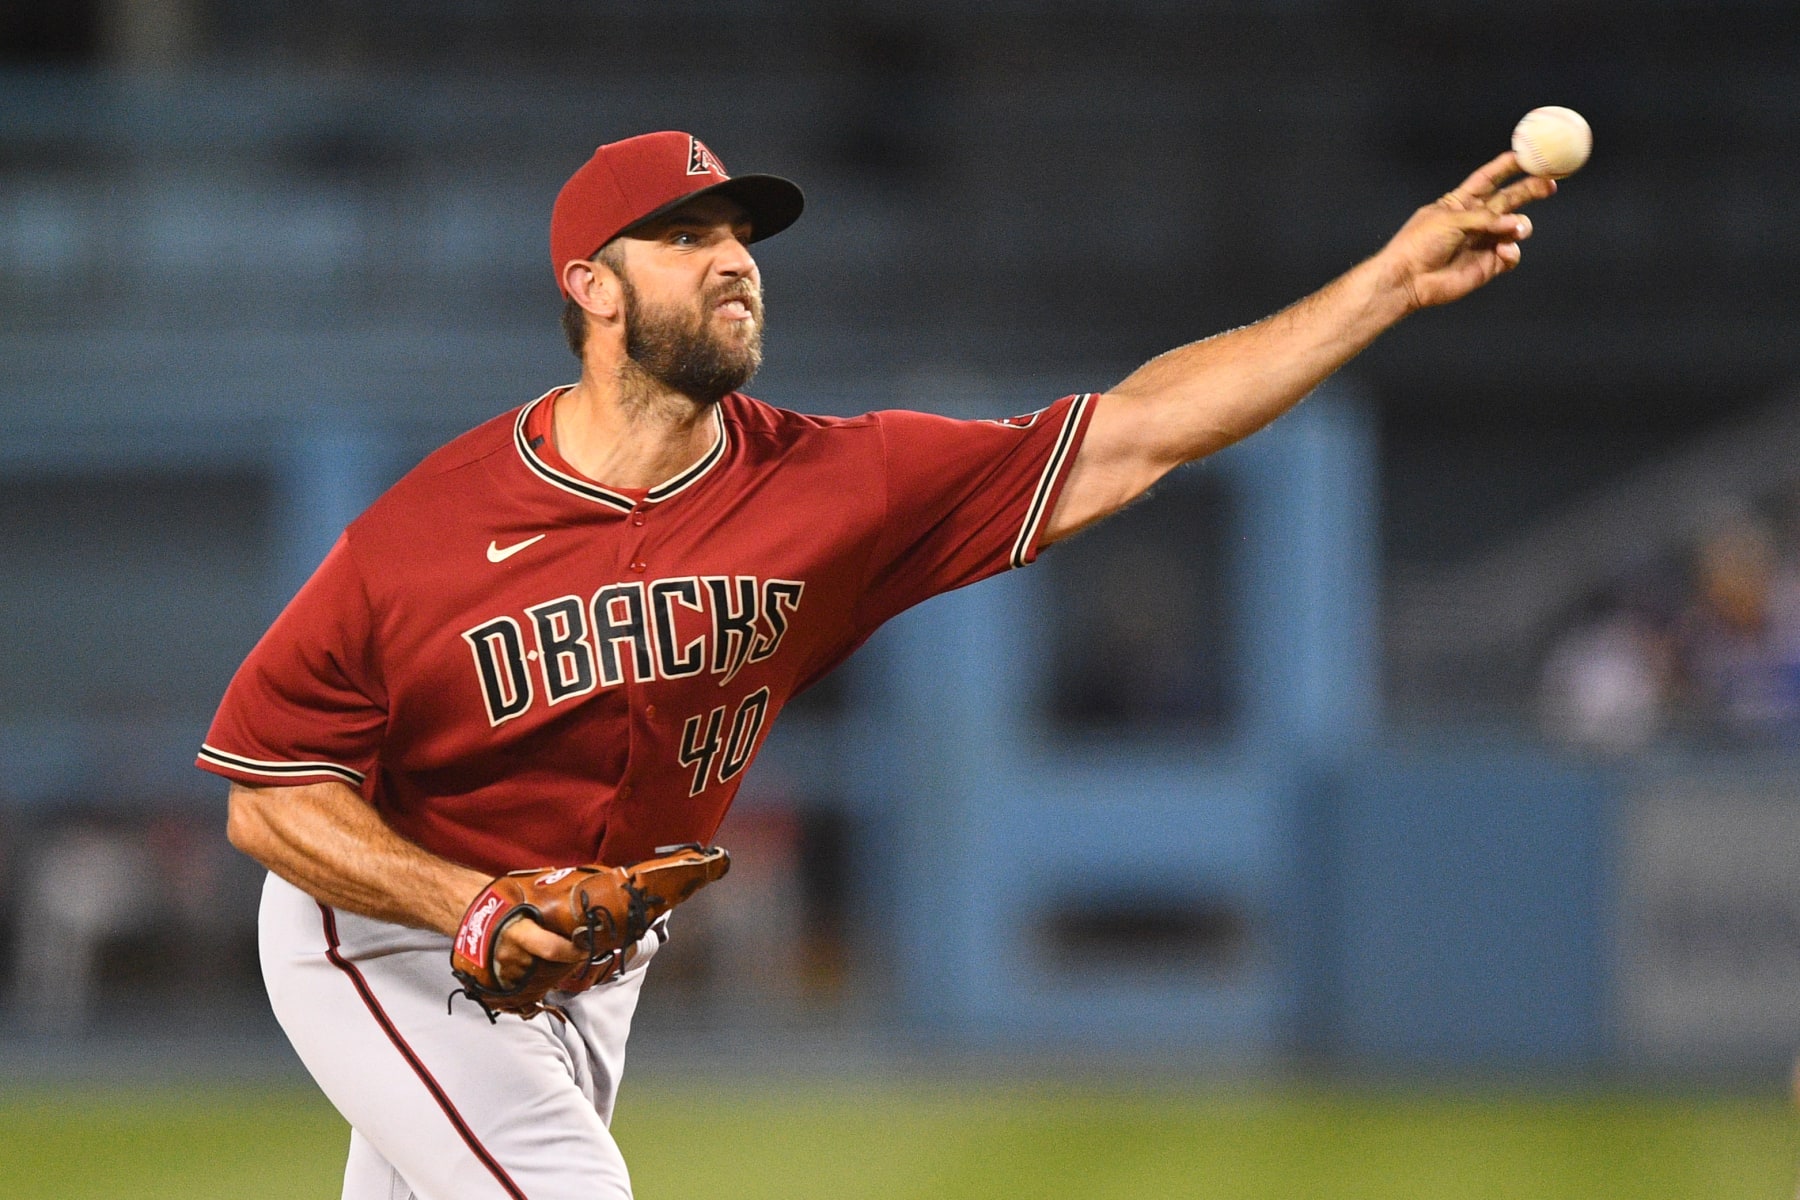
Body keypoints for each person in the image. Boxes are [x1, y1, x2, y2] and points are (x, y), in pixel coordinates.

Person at [199, 130, 1554, 1199]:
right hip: (382, 931)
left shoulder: (836, 485)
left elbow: (1138, 432)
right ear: (591, 288)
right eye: (686, 240)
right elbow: (267, 798)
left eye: (743, 237)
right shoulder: (425, 532)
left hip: (590, 966)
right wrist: (464, 905)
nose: (734, 261)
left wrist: (1384, 283)